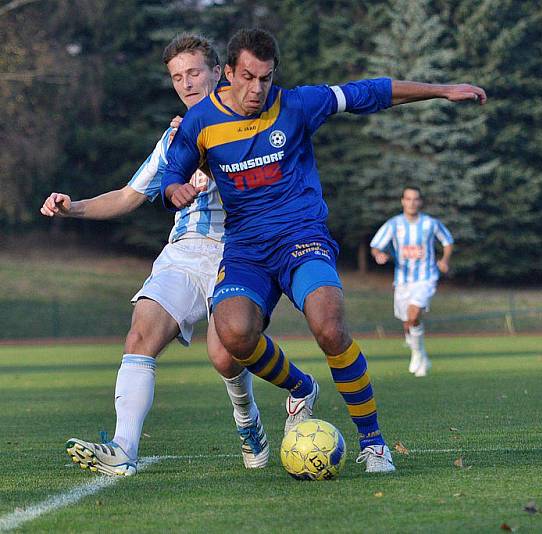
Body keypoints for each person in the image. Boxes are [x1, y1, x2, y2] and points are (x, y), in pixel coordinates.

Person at [160, 28, 486, 473]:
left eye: (267, 78)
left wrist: (442, 91)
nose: (257, 89)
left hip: (302, 236)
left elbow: (370, 92)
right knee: (234, 335)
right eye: (249, 77)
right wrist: (173, 188)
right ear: (230, 73)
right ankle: (301, 386)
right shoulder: (202, 122)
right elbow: (173, 170)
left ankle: (373, 444)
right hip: (246, 249)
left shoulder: (296, 105)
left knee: (329, 325)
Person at [40, 34, 319, 476]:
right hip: (185, 252)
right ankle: (123, 449)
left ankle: (248, 420)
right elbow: (130, 195)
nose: (186, 84)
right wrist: (72, 207)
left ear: (218, 73)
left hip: (240, 252)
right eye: (177, 77)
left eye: (193, 73)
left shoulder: (260, 121)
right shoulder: (174, 138)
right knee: (140, 334)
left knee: (226, 354)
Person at [370, 186, 453, 377]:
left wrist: (444, 260)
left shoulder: (430, 224)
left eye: (415, 199)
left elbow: (447, 241)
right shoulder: (394, 224)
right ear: (402, 201)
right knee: (407, 321)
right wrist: (379, 255)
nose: (412, 202)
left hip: (426, 278)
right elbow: (375, 245)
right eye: (408, 199)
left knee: (414, 313)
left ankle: (417, 354)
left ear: (420, 202)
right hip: (402, 280)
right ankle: (421, 354)